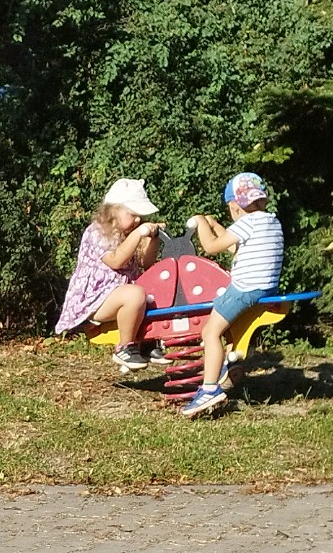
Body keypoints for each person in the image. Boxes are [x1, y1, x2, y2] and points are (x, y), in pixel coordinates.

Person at [182, 172, 285, 419]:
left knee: (210, 332)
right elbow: (233, 247)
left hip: (245, 288)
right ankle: (226, 366)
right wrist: (217, 226)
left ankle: (209, 390)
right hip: (266, 287)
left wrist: (201, 223)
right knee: (226, 328)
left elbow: (211, 248)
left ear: (234, 206)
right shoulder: (270, 222)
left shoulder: (246, 223)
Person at [53, 179, 166, 375]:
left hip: (118, 295)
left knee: (151, 291)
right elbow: (116, 261)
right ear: (113, 211)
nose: (137, 221)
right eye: (133, 215)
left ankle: (147, 342)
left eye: (140, 217)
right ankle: (125, 347)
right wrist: (138, 234)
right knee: (135, 294)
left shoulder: (128, 233)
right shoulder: (97, 232)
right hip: (94, 300)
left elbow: (145, 263)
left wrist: (153, 239)